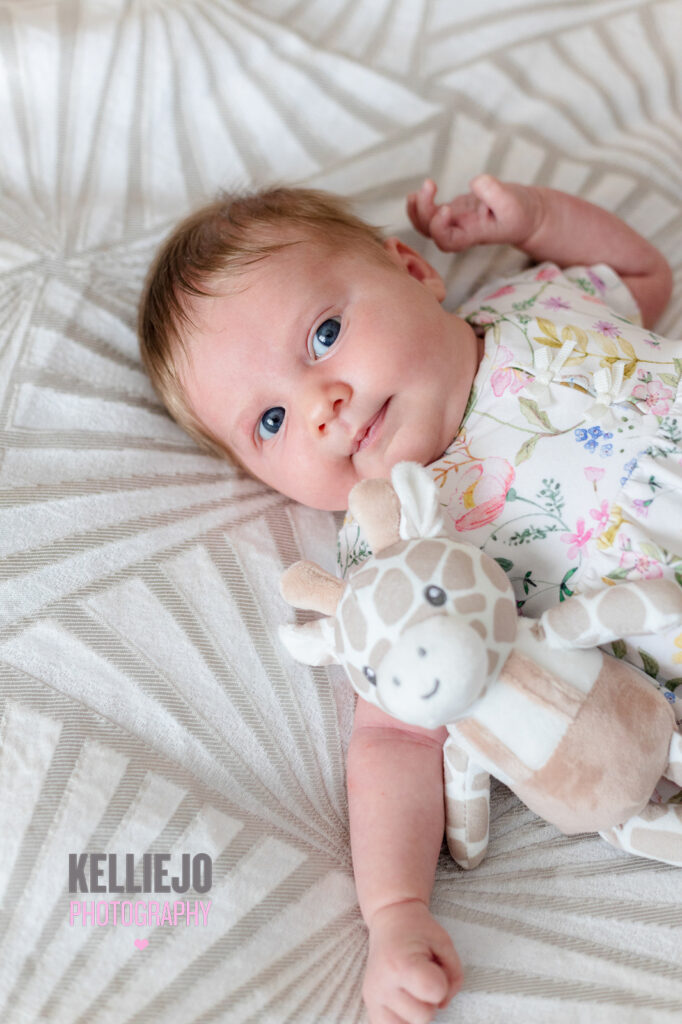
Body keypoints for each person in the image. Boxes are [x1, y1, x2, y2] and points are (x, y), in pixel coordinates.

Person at [139, 175, 677, 1023]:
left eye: (323, 335)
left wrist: (539, 222)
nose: (320, 405)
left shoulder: (534, 300)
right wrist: (395, 911)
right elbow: (393, 738)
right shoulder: (392, 558)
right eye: (270, 424)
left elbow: (645, 279)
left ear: (412, 270)